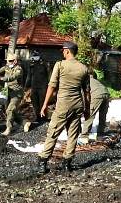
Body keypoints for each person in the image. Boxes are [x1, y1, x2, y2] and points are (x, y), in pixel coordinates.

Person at [37, 41, 90, 173]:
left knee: (53, 132)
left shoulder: (60, 65)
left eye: (63, 51)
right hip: (78, 104)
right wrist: (87, 109)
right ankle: (67, 163)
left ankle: (43, 162)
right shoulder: (83, 68)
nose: (62, 53)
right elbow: (87, 91)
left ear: (67, 51)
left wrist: (44, 105)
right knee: (73, 134)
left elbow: (52, 86)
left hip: (63, 104)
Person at [0, 53, 30, 136]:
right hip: (9, 92)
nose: (8, 62)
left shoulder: (19, 69)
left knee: (10, 110)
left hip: (17, 93)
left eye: (10, 61)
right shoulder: (6, 67)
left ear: (15, 61)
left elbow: (12, 77)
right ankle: (25, 122)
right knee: (9, 111)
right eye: (7, 61)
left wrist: (1, 78)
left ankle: (8, 128)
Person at [80, 69, 110, 144]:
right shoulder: (95, 80)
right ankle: (100, 135)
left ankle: (84, 136)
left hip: (97, 95)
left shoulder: (84, 81)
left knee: (90, 115)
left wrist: (85, 107)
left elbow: (84, 95)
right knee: (102, 116)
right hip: (106, 93)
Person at [25, 50, 49, 122]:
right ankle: (37, 117)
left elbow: (49, 75)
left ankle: (43, 117)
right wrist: (26, 86)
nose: (34, 58)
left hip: (43, 87)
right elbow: (28, 76)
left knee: (42, 102)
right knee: (35, 103)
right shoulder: (31, 66)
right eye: (33, 57)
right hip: (34, 87)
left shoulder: (44, 64)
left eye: (36, 56)